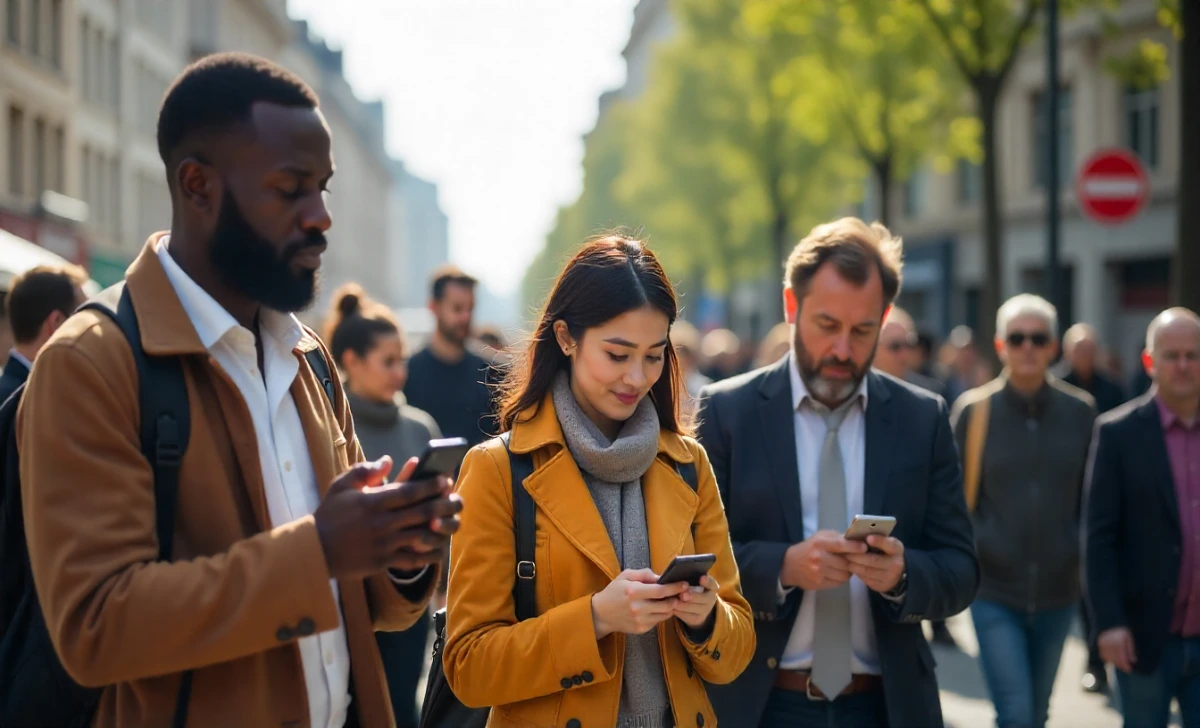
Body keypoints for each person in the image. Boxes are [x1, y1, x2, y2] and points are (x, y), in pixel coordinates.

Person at [15, 53, 460, 727]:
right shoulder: (89, 362)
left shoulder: (306, 356)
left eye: (325, 189)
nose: (321, 217)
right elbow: (95, 627)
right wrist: (321, 550)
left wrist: (398, 552)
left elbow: (361, 606)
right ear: (198, 185)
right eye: (291, 189)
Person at [443, 235, 755, 728]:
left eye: (654, 355)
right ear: (566, 337)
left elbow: (736, 649)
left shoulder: (687, 463)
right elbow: (469, 665)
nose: (637, 377)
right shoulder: (497, 469)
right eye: (617, 354)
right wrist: (595, 619)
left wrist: (705, 616)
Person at [697, 217, 979, 728]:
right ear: (791, 307)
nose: (843, 350)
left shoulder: (923, 418)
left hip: (886, 705)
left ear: (885, 317)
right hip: (760, 702)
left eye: (863, 330)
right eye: (827, 326)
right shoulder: (726, 412)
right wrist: (783, 567)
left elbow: (961, 568)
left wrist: (902, 575)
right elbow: (693, 558)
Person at [950, 294, 1096, 728]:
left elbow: (1094, 501)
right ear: (1000, 346)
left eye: (1038, 338)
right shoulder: (973, 412)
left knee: (1037, 714)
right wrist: (980, 548)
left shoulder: (1081, 413)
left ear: (1054, 346)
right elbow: (953, 502)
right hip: (994, 592)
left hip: (1058, 592)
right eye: (1017, 338)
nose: (1028, 347)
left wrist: (1075, 552)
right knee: (1014, 714)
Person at [323, 284, 443, 728]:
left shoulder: (420, 426)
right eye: (387, 361)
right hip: (347, 603)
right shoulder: (328, 425)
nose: (400, 372)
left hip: (411, 600)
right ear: (351, 362)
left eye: (403, 359)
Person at [1084, 307, 1200, 728]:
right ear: (1150, 361)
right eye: (1172, 355)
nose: (1184, 365)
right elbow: (1098, 538)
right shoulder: (1118, 433)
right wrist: (1108, 624)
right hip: (1144, 636)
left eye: (1193, 354)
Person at [1056, 321, 1125, 694]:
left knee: (1100, 576)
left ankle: (1099, 661)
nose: (1085, 355)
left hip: (1109, 494)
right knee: (1085, 581)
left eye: (1090, 349)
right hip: (1070, 496)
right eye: (1079, 349)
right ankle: (1095, 660)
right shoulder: (1057, 389)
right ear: (1068, 352)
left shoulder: (1112, 389)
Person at [403, 265, 497, 451]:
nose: (465, 317)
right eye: (457, 308)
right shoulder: (408, 373)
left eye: (470, 308)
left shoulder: (493, 374)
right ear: (433, 307)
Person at [0, 264, 88, 404]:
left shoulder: (17, 394)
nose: (90, 332)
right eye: (82, 320)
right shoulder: (30, 401)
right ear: (57, 322)